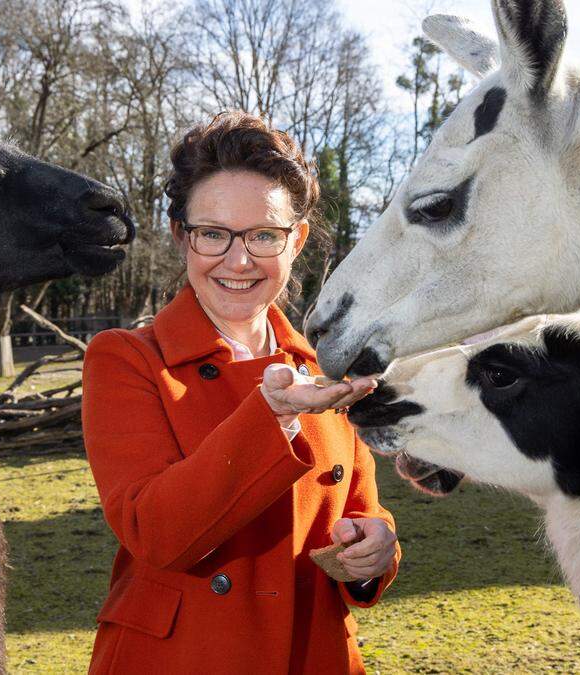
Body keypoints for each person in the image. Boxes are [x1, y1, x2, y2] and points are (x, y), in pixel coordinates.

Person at [82, 111, 400, 674]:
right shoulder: (127, 359)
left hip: (314, 653)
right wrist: (270, 416)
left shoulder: (322, 369)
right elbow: (155, 532)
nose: (239, 259)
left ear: (296, 239)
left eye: (262, 235)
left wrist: (375, 548)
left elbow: (361, 509)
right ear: (182, 235)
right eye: (213, 234)